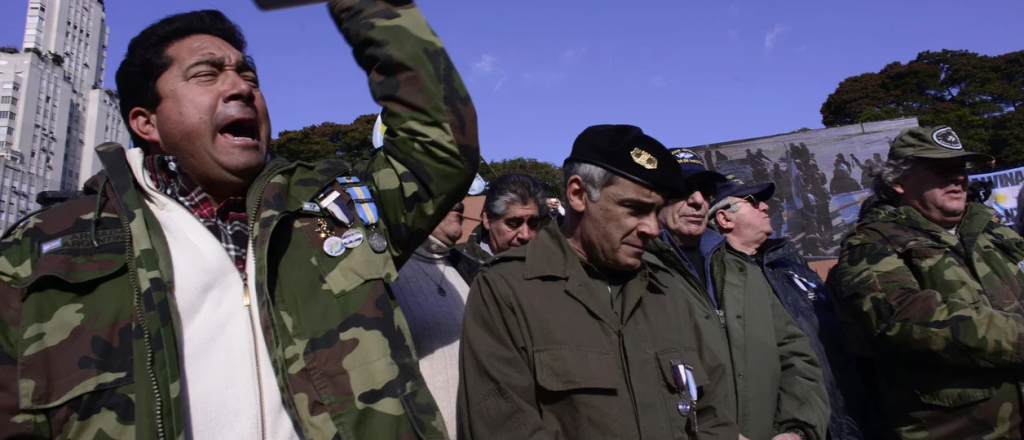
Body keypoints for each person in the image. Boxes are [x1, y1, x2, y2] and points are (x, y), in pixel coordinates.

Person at [0, 1, 478, 439]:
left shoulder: (337, 208)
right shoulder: (40, 253)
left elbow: (441, 144)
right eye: (207, 75)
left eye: (249, 76)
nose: (241, 87)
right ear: (147, 123)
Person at [458, 125, 738, 440]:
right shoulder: (506, 289)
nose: (651, 228)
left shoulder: (667, 290)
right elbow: (503, 427)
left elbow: (715, 417)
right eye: (635, 209)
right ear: (578, 194)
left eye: (656, 211)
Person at [830, 125, 1024, 439]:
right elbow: (905, 318)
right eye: (940, 169)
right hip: (963, 428)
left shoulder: (991, 228)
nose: (958, 178)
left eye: (961, 169)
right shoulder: (870, 244)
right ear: (897, 181)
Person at [648, 152, 829, 440]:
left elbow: (796, 356)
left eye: (705, 192)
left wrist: (797, 429)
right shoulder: (636, 275)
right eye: (682, 190)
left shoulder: (743, 269)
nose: (697, 200)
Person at [708, 176, 877, 440]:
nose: (765, 207)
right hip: (788, 429)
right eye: (753, 202)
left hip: (851, 416)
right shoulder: (714, 281)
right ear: (724, 219)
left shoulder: (790, 263)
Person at [389, 201, 478, 440]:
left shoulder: (473, 272)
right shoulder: (381, 275)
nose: (459, 203)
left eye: (461, 195)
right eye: (446, 193)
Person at [457, 173, 547, 263]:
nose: (525, 235)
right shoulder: (455, 264)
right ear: (487, 218)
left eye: (533, 224)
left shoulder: (548, 262)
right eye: (513, 224)